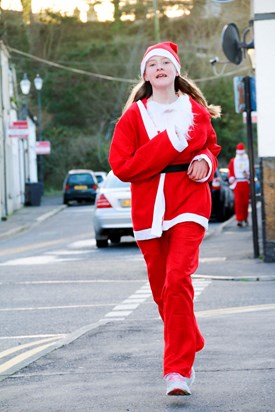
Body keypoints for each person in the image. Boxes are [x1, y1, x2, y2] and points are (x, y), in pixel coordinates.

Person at [109, 42, 221, 396]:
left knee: (176, 279)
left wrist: (206, 161)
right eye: (152, 64)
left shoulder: (196, 111)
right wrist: (171, 144)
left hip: (189, 202)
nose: (159, 68)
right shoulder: (133, 117)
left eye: (165, 63)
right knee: (163, 289)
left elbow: (209, 145)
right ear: (144, 75)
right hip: (148, 210)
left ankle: (177, 371)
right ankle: (190, 335)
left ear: (176, 71)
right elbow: (122, 166)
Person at [228, 142, 250, 227]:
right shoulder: (233, 161)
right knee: (238, 202)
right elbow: (230, 172)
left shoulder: (248, 160)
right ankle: (239, 219)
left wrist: (248, 174)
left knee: (245, 202)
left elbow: (252, 172)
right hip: (237, 183)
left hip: (245, 182)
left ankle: (245, 218)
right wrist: (232, 178)